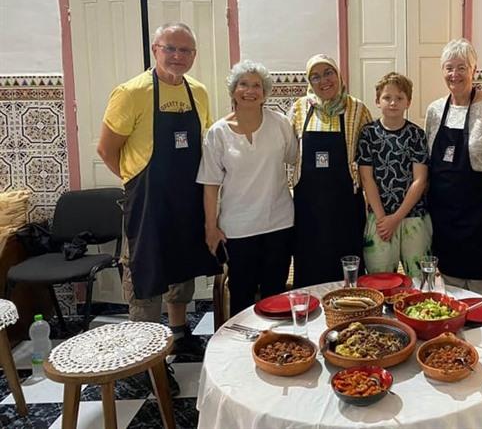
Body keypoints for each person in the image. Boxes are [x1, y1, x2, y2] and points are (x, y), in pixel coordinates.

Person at [97, 23, 221, 388]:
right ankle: (144, 357)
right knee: (146, 273)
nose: (178, 56)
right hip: (148, 202)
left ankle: (179, 334)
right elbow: (106, 149)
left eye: (186, 50)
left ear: (194, 55)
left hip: (187, 198)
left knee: (182, 268)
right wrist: (137, 182)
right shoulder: (131, 92)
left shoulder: (198, 92)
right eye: (171, 48)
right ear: (156, 50)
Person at [197, 60, 298, 316]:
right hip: (238, 229)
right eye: (243, 84)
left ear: (265, 93)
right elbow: (210, 185)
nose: (250, 90)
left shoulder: (281, 124)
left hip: (279, 223)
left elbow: (293, 159)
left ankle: (275, 340)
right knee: (242, 296)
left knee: (275, 295)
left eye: (257, 85)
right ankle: (241, 341)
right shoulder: (218, 133)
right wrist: (211, 227)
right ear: (233, 91)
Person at [288, 54, 372, 287]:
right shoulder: (299, 108)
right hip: (308, 210)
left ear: (339, 75)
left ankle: (351, 308)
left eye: (328, 73)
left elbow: (370, 156)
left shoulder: (357, 109)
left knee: (348, 273)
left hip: (346, 208)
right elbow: (288, 153)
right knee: (309, 270)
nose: (323, 80)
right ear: (309, 82)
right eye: (315, 76)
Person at [424, 39, 482, 296]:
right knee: (450, 290)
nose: (455, 74)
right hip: (444, 215)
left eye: (462, 67)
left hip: (479, 214)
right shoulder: (435, 110)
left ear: (474, 69)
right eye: (449, 68)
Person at [357, 72, 431, 278]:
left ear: (408, 102)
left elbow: (420, 180)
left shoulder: (416, 135)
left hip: (413, 216)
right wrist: (383, 219)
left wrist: (396, 218)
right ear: (377, 101)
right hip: (379, 218)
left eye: (399, 98)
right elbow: (367, 179)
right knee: (380, 278)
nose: (393, 103)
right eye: (387, 97)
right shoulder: (368, 134)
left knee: (419, 277)